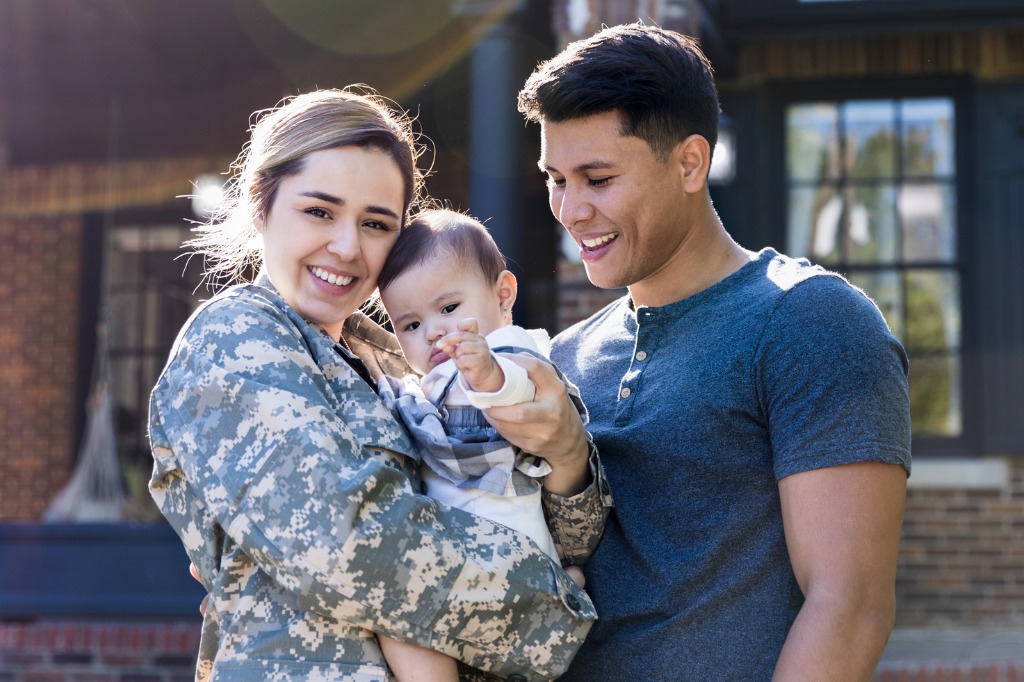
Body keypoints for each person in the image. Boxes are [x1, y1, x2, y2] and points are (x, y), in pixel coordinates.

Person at [148, 87, 611, 682]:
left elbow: (571, 537)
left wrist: (568, 453)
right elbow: (346, 547)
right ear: (261, 207)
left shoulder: (403, 361)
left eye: (375, 224)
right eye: (319, 211)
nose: (347, 247)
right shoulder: (236, 338)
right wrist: (553, 605)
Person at [513, 23, 912, 680]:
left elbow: (851, 605)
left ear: (690, 163)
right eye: (556, 178)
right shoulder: (566, 357)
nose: (571, 209)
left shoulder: (809, 320)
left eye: (598, 178)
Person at [371, 208, 590, 681]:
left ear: (503, 294)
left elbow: (520, 389)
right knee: (399, 619)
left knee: (397, 611)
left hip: (505, 552)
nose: (433, 331)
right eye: (410, 324)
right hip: (465, 565)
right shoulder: (423, 384)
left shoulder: (509, 348)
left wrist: (485, 372)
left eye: (448, 309)